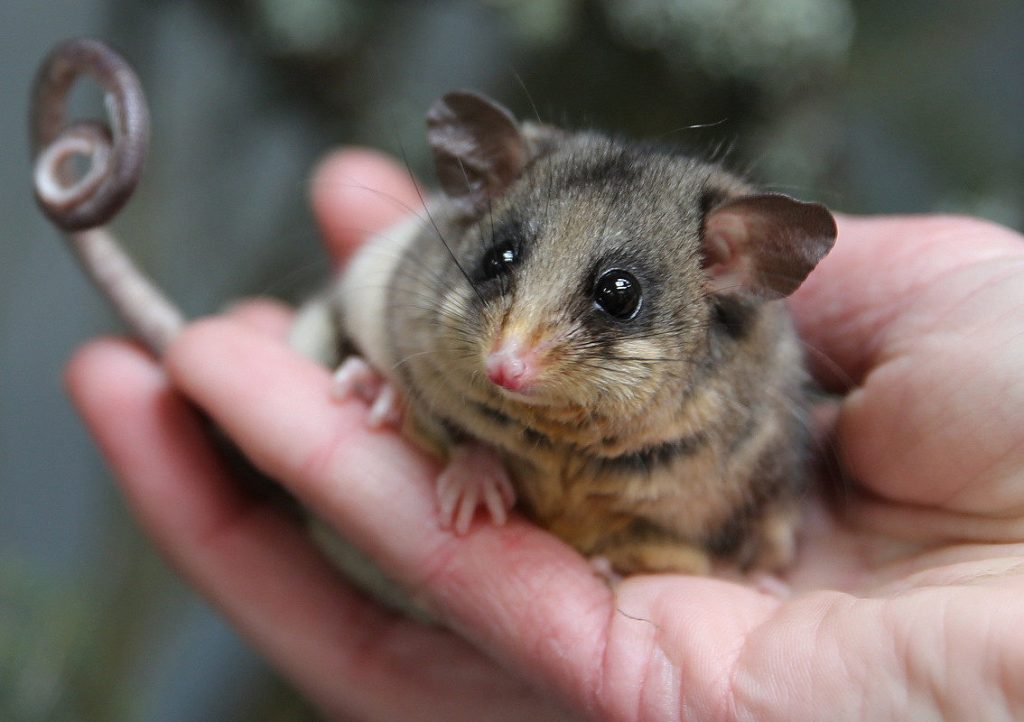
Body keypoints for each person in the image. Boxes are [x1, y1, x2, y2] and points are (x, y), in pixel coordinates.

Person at [66, 148, 1024, 721]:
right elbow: (409, 299)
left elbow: (770, 480)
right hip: (405, 462)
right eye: (509, 262)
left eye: (613, 299)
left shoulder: (748, 390)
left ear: (731, 263)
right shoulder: (450, 310)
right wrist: (443, 418)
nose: (510, 356)